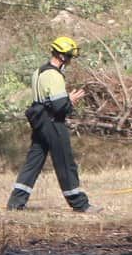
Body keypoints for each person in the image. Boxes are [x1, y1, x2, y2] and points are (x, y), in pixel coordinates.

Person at [6, 36, 96, 213]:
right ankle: (80, 204)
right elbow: (59, 106)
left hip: (39, 123)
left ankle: (16, 203)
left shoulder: (38, 72)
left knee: (33, 162)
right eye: (69, 57)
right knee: (65, 162)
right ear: (62, 56)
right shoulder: (54, 75)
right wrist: (70, 99)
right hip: (53, 123)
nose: (70, 61)